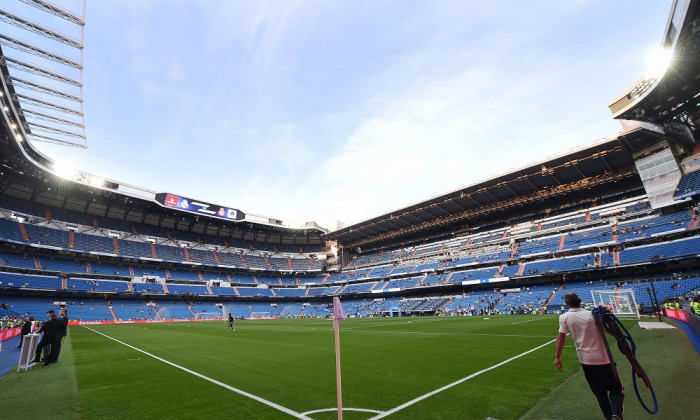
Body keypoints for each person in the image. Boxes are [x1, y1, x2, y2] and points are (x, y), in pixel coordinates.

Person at [554, 292, 624, 420]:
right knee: (616, 390)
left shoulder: (564, 317)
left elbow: (560, 339)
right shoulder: (593, 315)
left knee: (600, 393)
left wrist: (557, 357)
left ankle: (610, 417)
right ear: (580, 300)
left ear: (566, 304)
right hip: (603, 358)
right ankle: (616, 415)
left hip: (586, 361)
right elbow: (612, 332)